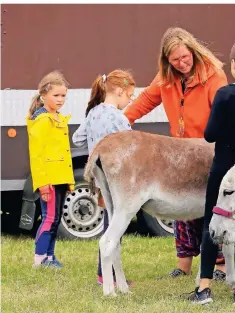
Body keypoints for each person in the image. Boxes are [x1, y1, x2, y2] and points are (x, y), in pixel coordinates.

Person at [124, 27, 228, 278]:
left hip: (207, 150)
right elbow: (146, 100)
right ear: (166, 61)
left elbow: (222, 111)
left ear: (193, 50)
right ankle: (184, 265)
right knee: (180, 207)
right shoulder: (165, 77)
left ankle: (221, 266)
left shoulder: (214, 74)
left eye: (185, 57)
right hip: (179, 152)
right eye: (175, 60)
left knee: (212, 207)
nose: (182, 64)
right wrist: (121, 121)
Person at [189, 41, 235, 305]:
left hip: (223, 167)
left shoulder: (225, 94)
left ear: (233, 65)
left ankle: (204, 287)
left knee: (212, 221)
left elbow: (209, 134)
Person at [72, 70, 136, 286]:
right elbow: (132, 145)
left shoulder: (93, 114)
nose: (130, 101)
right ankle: (109, 274)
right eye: (129, 96)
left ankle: (104, 273)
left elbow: (77, 139)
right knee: (115, 224)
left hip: (99, 178)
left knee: (108, 222)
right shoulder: (118, 117)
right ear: (119, 91)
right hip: (118, 179)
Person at [27, 70, 75, 269]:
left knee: (55, 219)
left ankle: (50, 256)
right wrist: (43, 183)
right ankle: (39, 259)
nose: (61, 99)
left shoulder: (58, 117)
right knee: (48, 218)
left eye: (63, 95)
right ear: (43, 95)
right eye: (56, 95)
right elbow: (36, 156)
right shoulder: (42, 120)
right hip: (50, 180)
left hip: (61, 178)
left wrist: (69, 180)